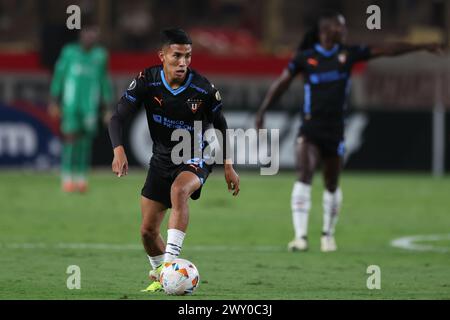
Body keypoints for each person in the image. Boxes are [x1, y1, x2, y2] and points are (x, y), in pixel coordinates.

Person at [255, 11, 443, 252]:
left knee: (332, 183)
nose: (344, 30)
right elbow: (282, 83)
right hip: (310, 128)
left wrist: (422, 46)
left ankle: (327, 235)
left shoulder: (348, 54)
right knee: (304, 173)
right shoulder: (305, 58)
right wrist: (262, 111)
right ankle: (300, 237)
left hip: (335, 131)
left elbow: (386, 49)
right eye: (340, 26)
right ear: (326, 28)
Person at [108, 28, 240, 292]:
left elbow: (221, 126)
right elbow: (117, 117)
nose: (183, 62)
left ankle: (169, 268)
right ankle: (162, 276)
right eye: (177, 56)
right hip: (161, 158)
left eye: (188, 56)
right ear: (162, 56)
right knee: (147, 232)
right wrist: (118, 149)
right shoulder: (148, 80)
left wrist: (228, 165)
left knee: (179, 190)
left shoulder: (202, 88)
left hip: (195, 154)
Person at [49, 24, 113, 193]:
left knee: (85, 142)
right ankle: (67, 177)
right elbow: (59, 76)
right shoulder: (69, 52)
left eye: (93, 34)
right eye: (87, 33)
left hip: (90, 106)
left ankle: (82, 178)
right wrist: (54, 100)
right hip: (71, 104)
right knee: (70, 139)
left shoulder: (100, 55)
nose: (90, 37)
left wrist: (107, 107)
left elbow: (103, 81)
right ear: (81, 35)